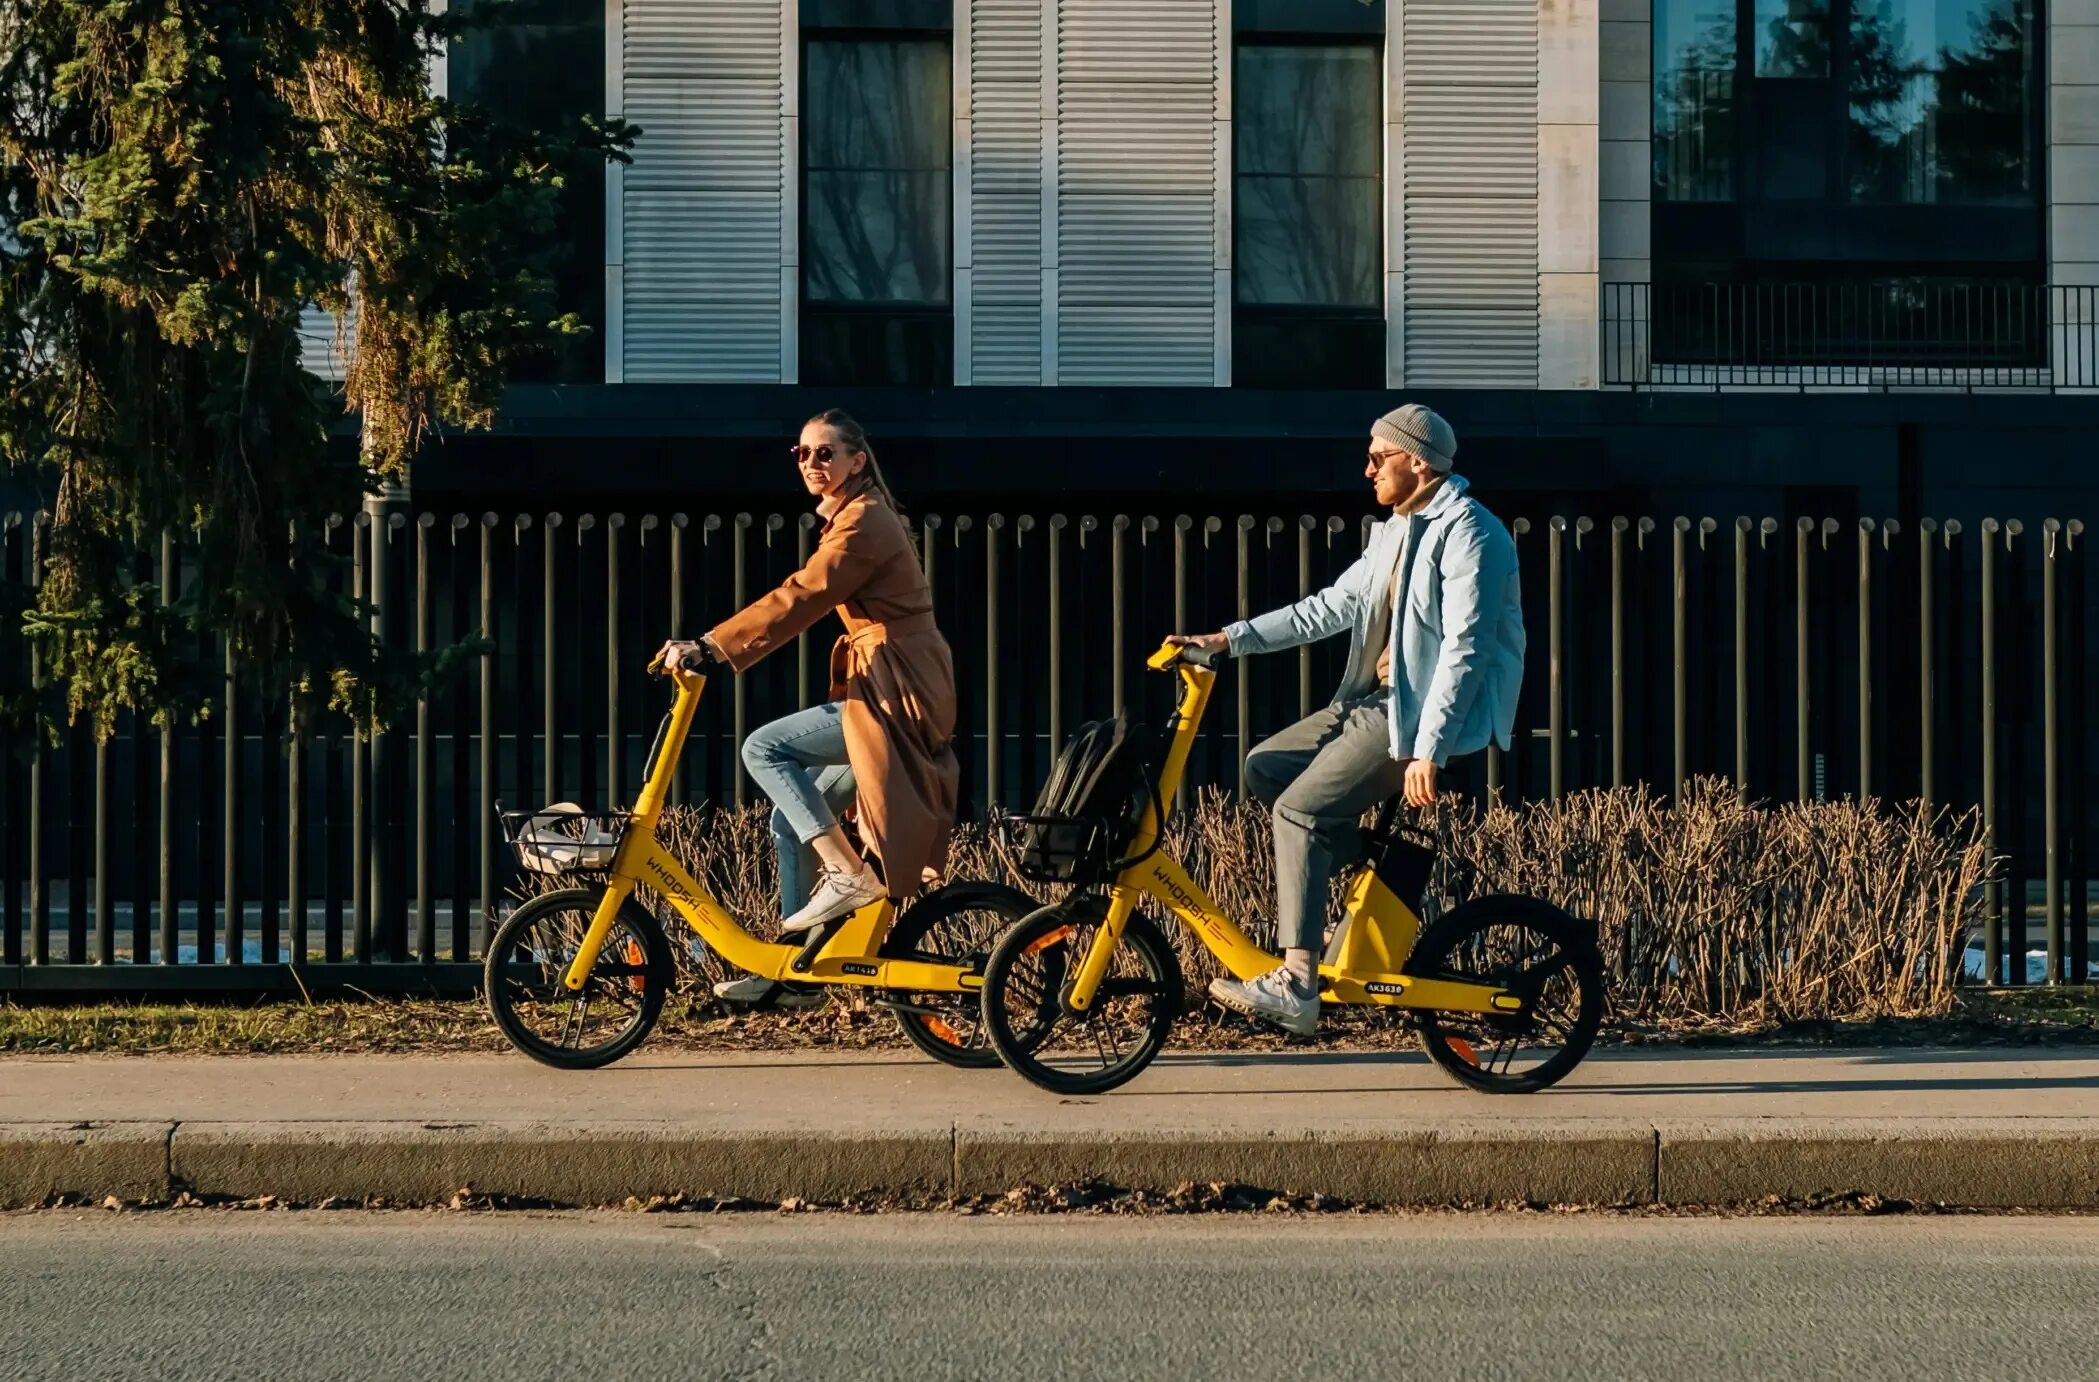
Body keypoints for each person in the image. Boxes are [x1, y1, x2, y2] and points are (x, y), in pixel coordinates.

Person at [1166, 404, 1524, 1036]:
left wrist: (1427, 749)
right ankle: (1379, 877)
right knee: (1266, 768)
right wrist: (1226, 639)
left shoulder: (1474, 533)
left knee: (1297, 813)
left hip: (1415, 718)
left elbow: (1466, 649)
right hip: (1375, 703)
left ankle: (1298, 982)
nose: (1367, 470)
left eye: (1378, 457)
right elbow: (1325, 608)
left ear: (1417, 460)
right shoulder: (1392, 531)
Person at [656, 410, 960, 1008]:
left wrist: (713, 646)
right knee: (789, 822)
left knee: (763, 747)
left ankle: (847, 879)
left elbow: (805, 593)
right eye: (802, 454)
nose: (812, 464)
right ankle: (796, 974)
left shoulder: (864, 522)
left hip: (899, 691)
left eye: (826, 453)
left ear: (856, 461)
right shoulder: (853, 515)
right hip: (888, 679)